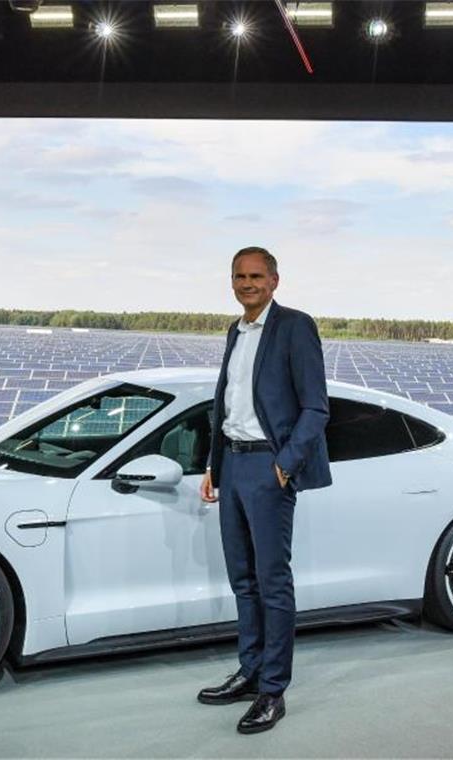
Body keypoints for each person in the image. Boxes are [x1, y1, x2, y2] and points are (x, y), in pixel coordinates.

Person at [197, 246, 332, 734]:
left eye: (256, 276)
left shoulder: (296, 327)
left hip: (267, 469)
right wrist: (213, 465)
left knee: (272, 583)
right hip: (232, 465)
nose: (247, 283)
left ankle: (273, 691)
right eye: (239, 276)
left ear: (275, 281)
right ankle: (250, 671)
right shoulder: (235, 330)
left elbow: (316, 408)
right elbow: (229, 403)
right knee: (243, 580)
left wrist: (285, 465)